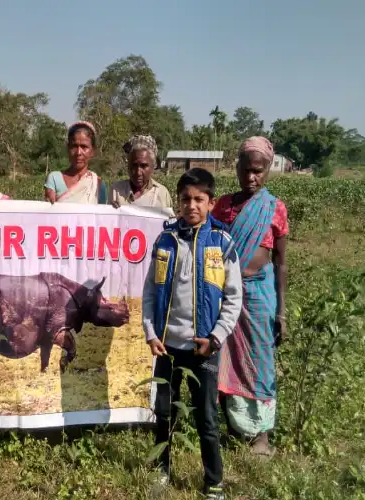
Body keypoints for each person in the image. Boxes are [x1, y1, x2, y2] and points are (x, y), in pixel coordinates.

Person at [142, 168, 243, 499]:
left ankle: (214, 481)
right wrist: (151, 331)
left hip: (204, 349)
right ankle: (161, 470)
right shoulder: (165, 241)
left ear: (211, 203)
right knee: (164, 411)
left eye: (199, 199)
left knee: (207, 418)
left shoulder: (222, 243)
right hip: (168, 346)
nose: (191, 205)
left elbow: (233, 298)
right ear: (178, 202)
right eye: (185, 199)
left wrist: (215, 338)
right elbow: (149, 292)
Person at [211, 136, 289, 456]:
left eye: (258, 171)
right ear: (237, 168)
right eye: (246, 170)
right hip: (224, 294)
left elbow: (281, 263)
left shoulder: (274, 208)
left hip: (259, 294)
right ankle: (231, 425)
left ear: (268, 170)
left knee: (260, 361)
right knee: (224, 359)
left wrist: (282, 312)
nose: (251, 178)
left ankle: (262, 436)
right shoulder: (223, 206)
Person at [44, 121, 107, 204]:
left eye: (84, 147)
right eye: (74, 146)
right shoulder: (54, 179)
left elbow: (102, 214)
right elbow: (50, 212)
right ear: (68, 148)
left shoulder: (98, 185)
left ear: (92, 151)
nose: (78, 152)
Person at [109, 135, 173, 210]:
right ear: (128, 165)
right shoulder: (116, 190)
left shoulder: (162, 193)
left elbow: (170, 220)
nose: (138, 172)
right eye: (134, 165)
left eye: (144, 166)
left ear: (153, 166)